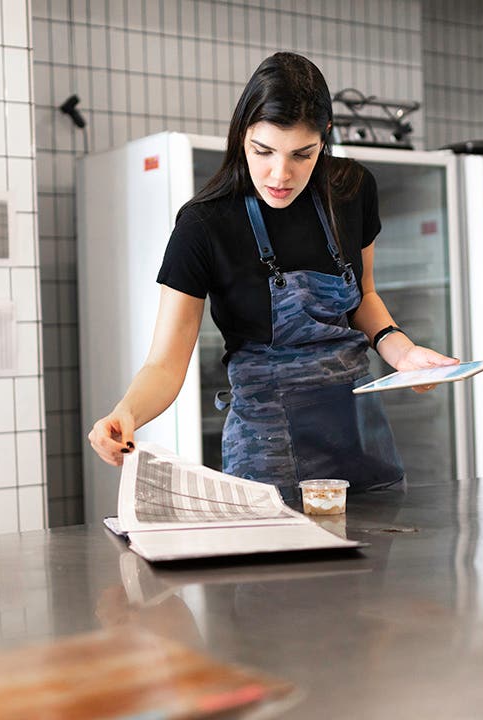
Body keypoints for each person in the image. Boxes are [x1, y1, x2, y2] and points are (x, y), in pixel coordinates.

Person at [87, 51, 457, 506]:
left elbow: (363, 297)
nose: (280, 175)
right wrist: (126, 413)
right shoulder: (205, 225)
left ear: (324, 140)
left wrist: (403, 354)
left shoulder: (352, 189)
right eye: (264, 151)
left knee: (374, 568)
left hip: (359, 434)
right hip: (267, 450)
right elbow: (165, 363)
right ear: (242, 136)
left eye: (303, 154)